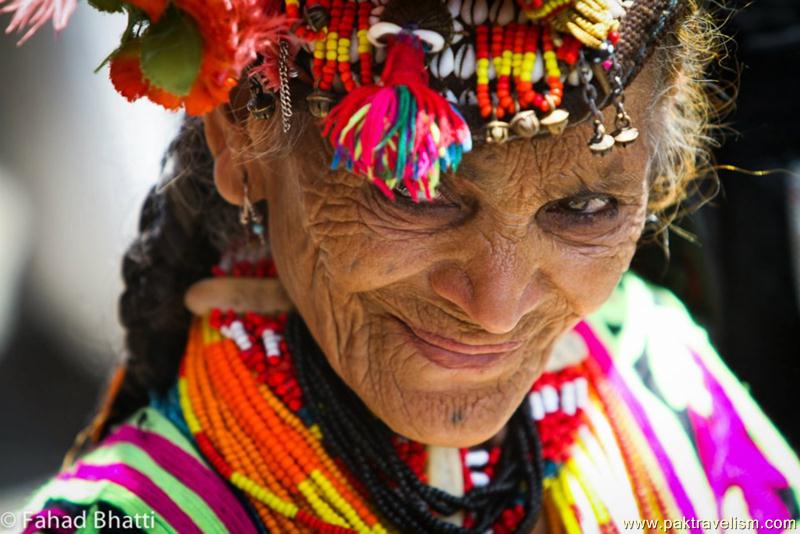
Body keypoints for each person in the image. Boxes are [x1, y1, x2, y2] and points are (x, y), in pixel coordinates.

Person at [4, 0, 799, 532]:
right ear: (244, 137)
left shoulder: (660, 379)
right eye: (417, 193)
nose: (495, 305)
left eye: (583, 209)